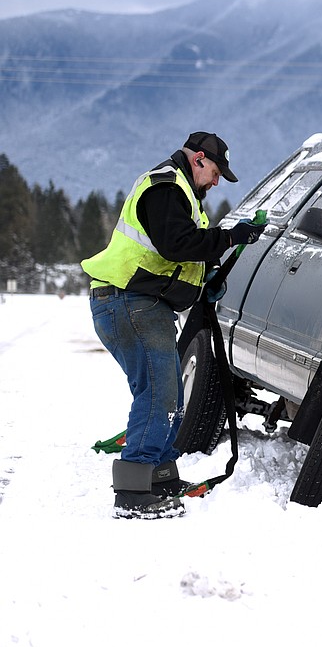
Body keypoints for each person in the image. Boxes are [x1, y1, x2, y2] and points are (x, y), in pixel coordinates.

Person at [81, 132, 264, 519]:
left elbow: (181, 254)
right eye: (215, 172)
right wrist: (230, 237)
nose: (216, 182)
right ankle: (132, 491)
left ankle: (160, 478)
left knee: (169, 396)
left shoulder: (184, 196)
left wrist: (206, 279)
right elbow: (176, 244)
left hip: (141, 305)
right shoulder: (165, 186)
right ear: (198, 159)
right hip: (127, 301)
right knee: (159, 395)